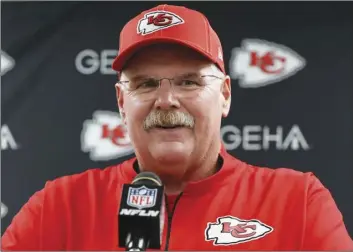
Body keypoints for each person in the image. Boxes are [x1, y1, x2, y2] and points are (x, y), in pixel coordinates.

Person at [2, 4, 353, 251]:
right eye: (145, 84)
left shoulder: (298, 202)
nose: (166, 100)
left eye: (188, 82)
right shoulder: (60, 207)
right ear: (122, 104)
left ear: (225, 95)